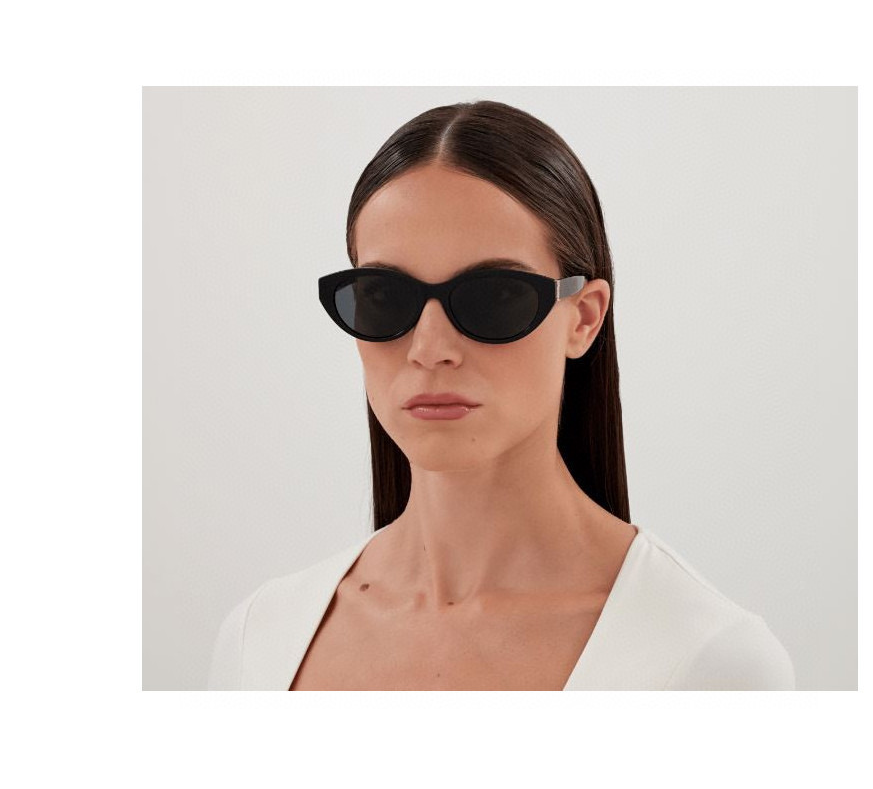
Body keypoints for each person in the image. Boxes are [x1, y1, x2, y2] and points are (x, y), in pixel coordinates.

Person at [207, 100, 796, 690]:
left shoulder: (708, 660)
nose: (430, 348)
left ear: (583, 318)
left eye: (494, 296)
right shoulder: (259, 640)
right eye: (384, 296)